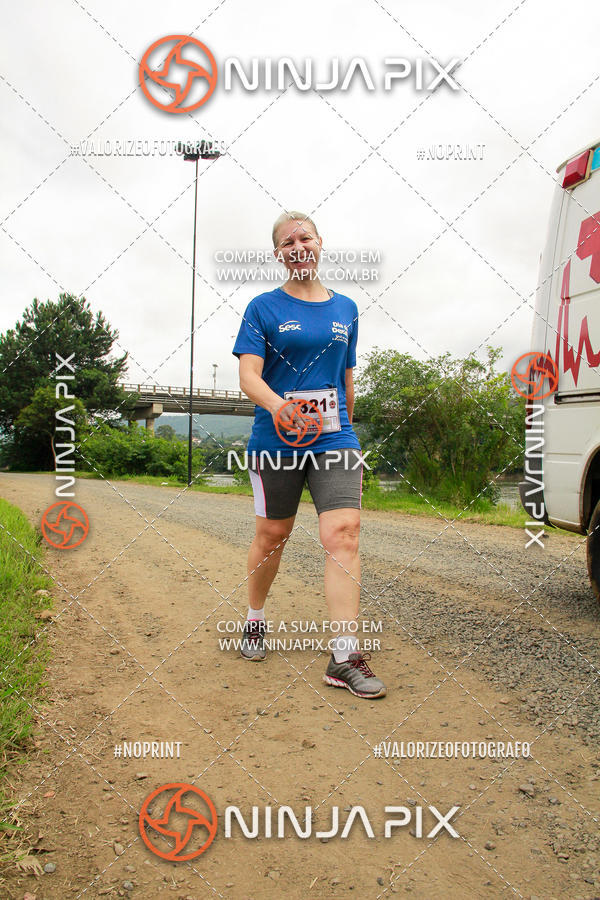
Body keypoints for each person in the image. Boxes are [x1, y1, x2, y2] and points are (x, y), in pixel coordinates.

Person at [231, 211, 386, 699]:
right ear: (278, 254)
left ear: (320, 243)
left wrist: (346, 426)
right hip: (276, 437)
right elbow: (249, 377)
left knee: (343, 534)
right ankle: (254, 619)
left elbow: (346, 377)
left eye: (305, 237)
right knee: (273, 535)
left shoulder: (347, 310)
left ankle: (344, 656)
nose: (297, 246)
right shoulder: (262, 308)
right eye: (287, 242)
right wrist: (282, 408)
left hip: (333, 438)